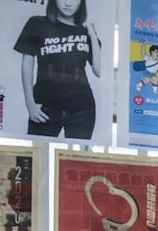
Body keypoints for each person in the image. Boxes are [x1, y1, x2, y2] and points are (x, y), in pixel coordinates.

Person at [14, 0, 101, 139]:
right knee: (38, 155)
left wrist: (93, 35)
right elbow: (27, 63)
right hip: (46, 105)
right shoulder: (37, 23)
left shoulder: (85, 30)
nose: (68, 3)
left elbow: (98, 70)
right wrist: (29, 103)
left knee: (74, 159)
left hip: (82, 108)